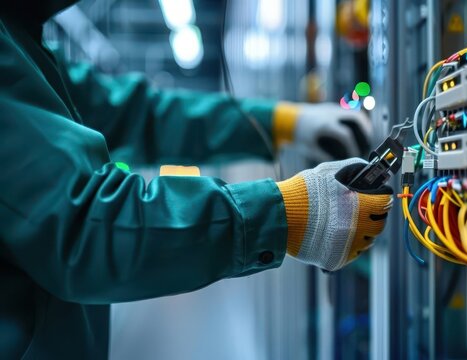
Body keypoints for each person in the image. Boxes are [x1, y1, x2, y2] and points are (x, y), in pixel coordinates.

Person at [0, 1, 393, 358]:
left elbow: (140, 114)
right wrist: (285, 213)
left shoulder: (20, 39)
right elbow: (80, 223)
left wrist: (282, 121)